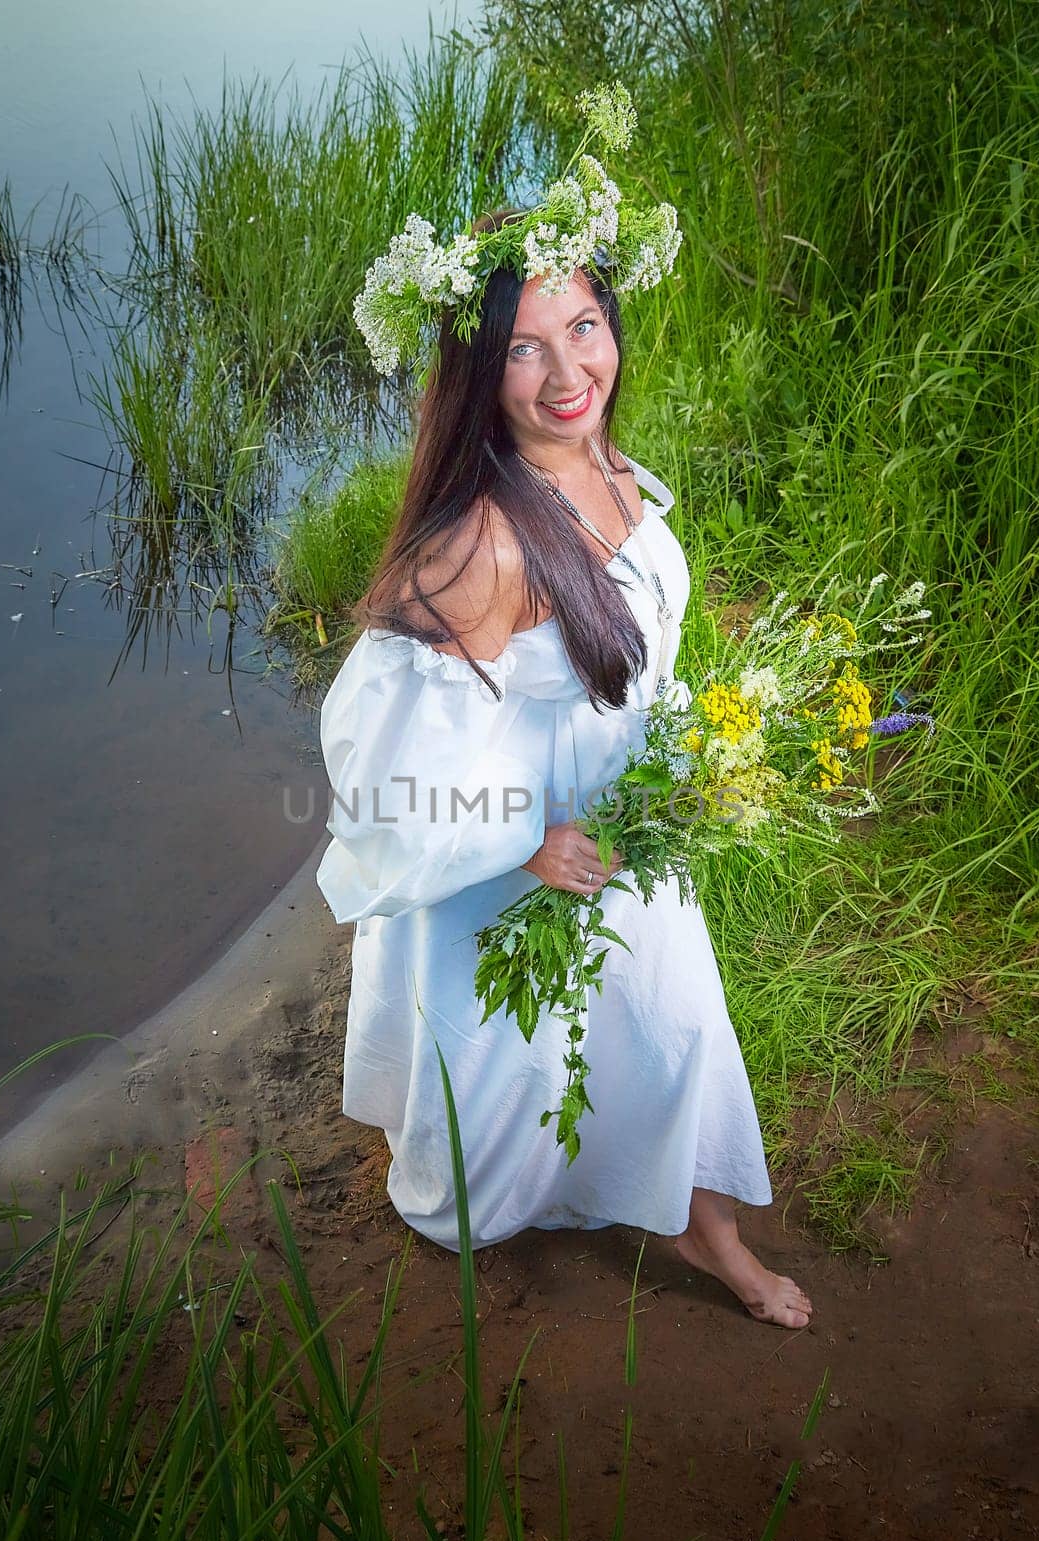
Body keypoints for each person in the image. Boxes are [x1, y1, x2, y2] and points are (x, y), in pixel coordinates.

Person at [316, 104, 812, 1329]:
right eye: (523, 350)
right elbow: (375, 761)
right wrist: (521, 842)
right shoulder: (478, 547)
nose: (567, 372)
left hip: (635, 824)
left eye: (582, 327)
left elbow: (640, 659)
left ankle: (709, 1237)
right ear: (480, 376)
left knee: (676, 1023)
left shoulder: (611, 468)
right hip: (536, 845)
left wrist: (702, 747)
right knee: (484, 1157)